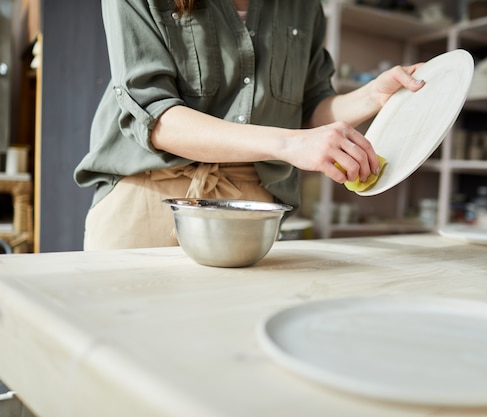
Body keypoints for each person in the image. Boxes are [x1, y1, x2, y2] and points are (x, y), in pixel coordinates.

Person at [74, 0, 424, 250]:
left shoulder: (306, 7)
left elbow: (310, 108)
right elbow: (158, 119)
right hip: (146, 199)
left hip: (248, 209)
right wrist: (288, 144)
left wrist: (373, 96)